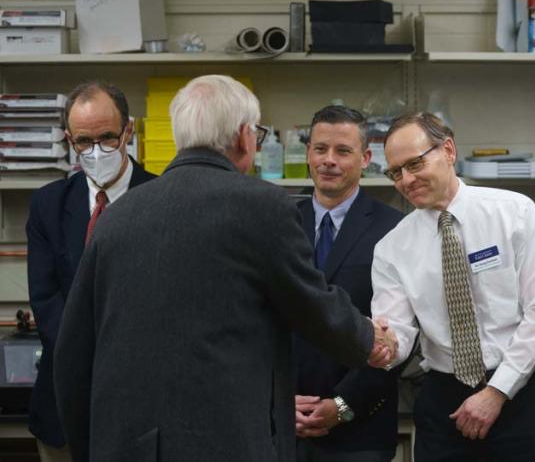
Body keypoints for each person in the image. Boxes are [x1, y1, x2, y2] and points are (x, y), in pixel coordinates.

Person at [52, 75, 397, 462]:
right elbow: (312, 304)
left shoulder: (117, 216)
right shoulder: (262, 207)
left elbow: (73, 357)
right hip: (225, 443)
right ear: (242, 137)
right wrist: (369, 339)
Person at [370, 112, 535, 462]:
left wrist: (496, 391)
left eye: (414, 164)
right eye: (395, 172)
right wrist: (382, 344)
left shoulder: (515, 213)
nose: (406, 180)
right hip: (444, 400)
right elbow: (396, 334)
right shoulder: (391, 248)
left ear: (448, 150)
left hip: (519, 394)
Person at [26, 81, 156, 462]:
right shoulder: (48, 205)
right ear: (69, 139)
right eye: (83, 141)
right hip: (64, 398)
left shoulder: (162, 198)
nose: (96, 150)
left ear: (128, 131)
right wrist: (87, 359)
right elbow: (46, 299)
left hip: (142, 402)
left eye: (108, 138)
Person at [294, 105, 405, 462]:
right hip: (284, 425)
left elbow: (399, 334)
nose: (329, 160)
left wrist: (342, 404)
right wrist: (278, 400)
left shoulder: (395, 229)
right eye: (320, 149)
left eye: (343, 151)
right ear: (308, 152)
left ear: (365, 158)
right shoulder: (277, 223)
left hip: (360, 433)